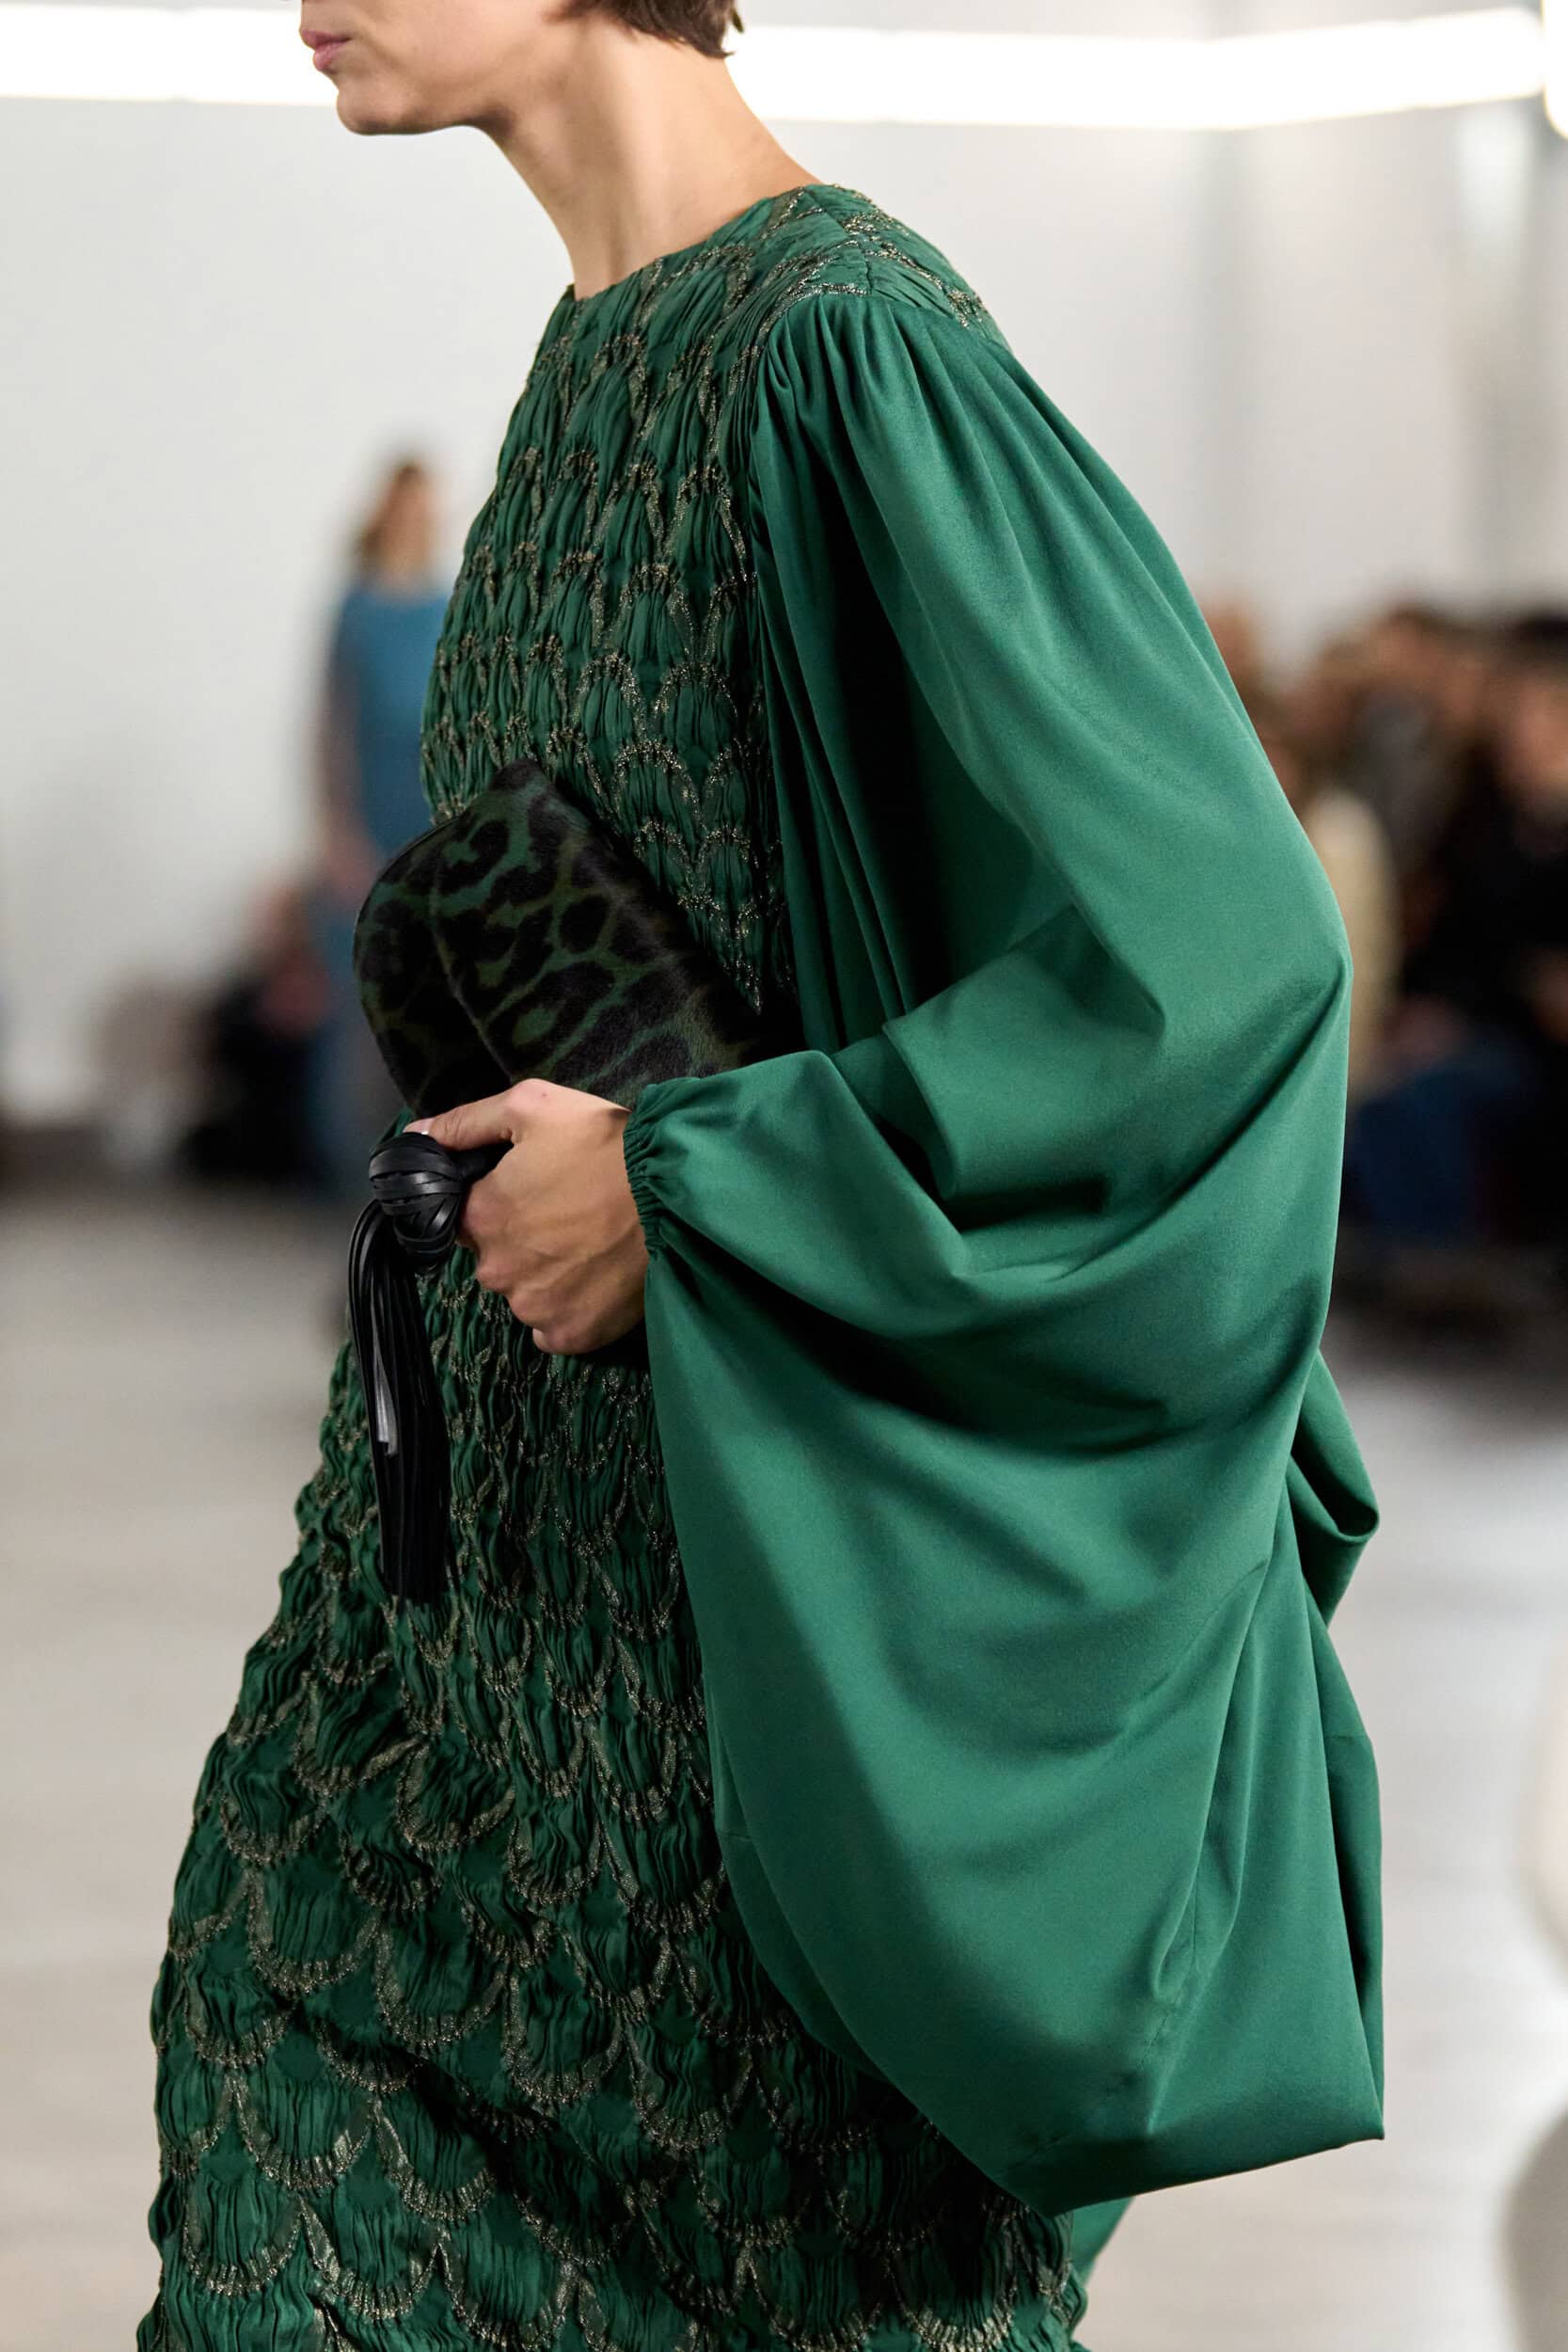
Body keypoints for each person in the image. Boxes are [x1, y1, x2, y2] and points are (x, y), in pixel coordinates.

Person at [138, 5, 1384, 2344]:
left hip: (727, 1665)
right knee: (269, 2134)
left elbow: (1217, 954)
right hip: (460, 1630)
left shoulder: (843, 351)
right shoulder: (591, 359)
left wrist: (692, 1176)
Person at [1345, 612, 1568, 1276]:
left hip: (1525, 1041)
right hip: (1481, 1021)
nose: (1519, 738)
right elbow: (1460, 938)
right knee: (1377, 1094)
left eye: (1536, 722)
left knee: (1426, 1098)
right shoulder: (1486, 818)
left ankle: (1447, 1262)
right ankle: (1415, 1260)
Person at [309, 456, 451, 1195]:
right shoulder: (356, 608)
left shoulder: (446, 602)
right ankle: (347, 1170)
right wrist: (338, 833)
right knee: (360, 1000)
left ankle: (420, 1166)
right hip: (369, 822)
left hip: (428, 817)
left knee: (430, 995)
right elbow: (330, 730)